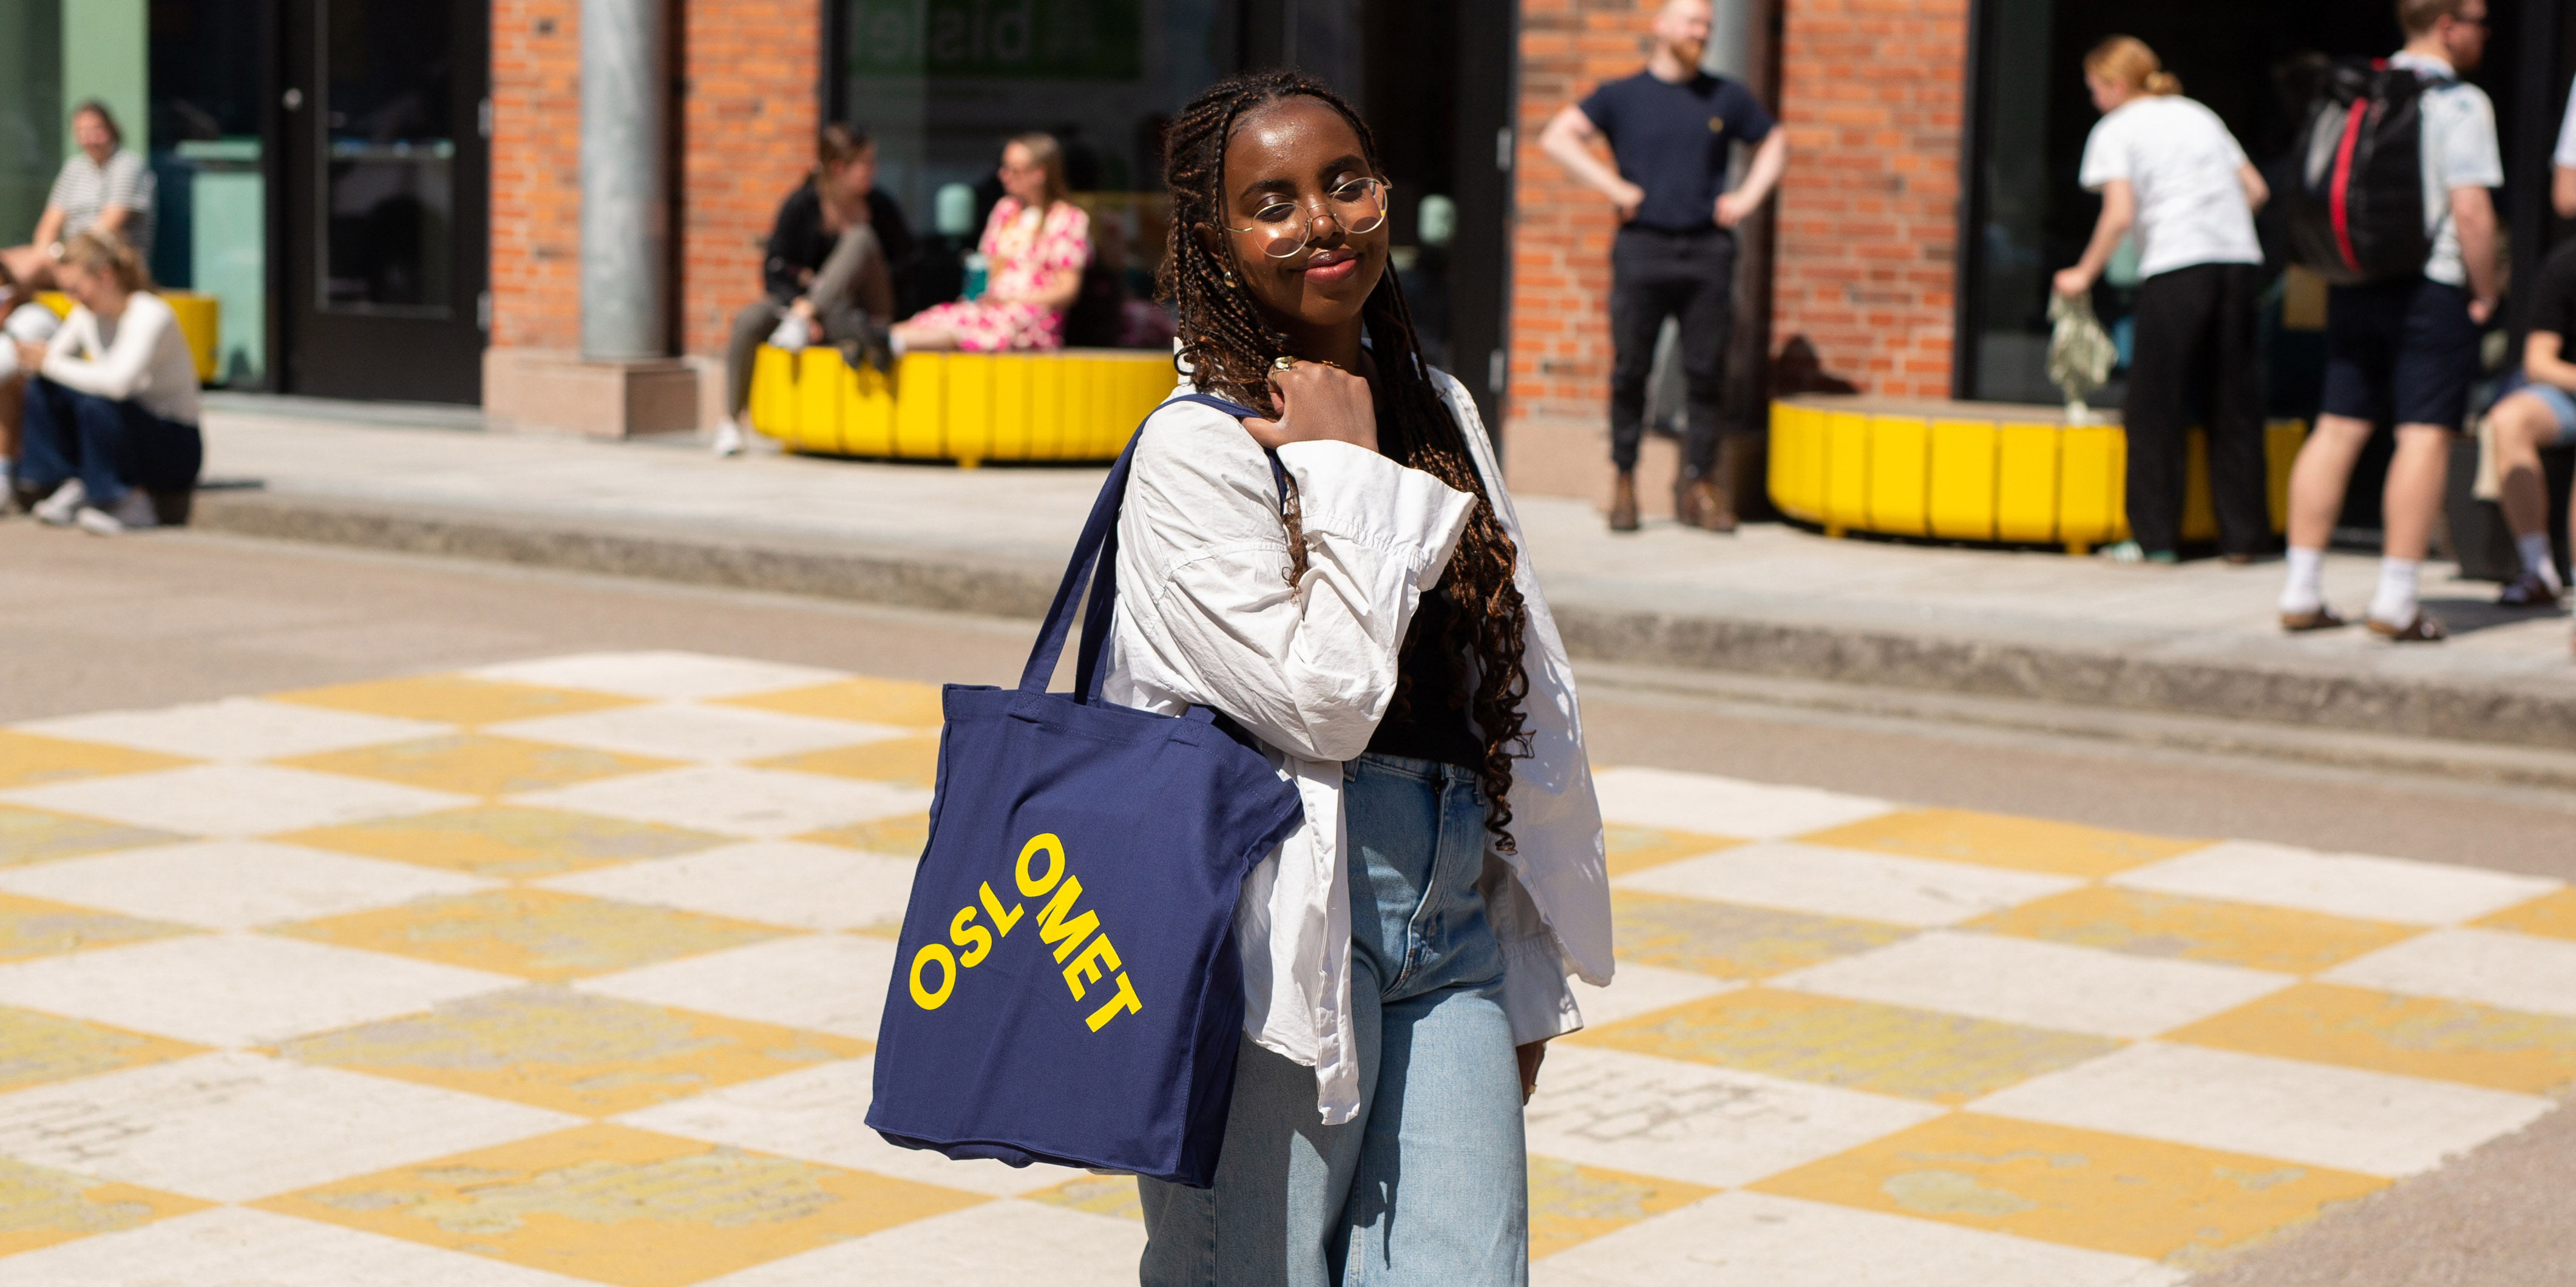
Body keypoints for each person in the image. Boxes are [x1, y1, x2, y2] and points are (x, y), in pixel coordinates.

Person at [1116, 70, 1611, 1285]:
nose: (1321, 221)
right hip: (1270, 931)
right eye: (1270, 201)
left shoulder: (1434, 405)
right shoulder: (1193, 447)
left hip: (1446, 920)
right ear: (1213, 240)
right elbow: (1324, 703)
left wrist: (1524, 953)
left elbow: (1511, 694)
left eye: (1345, 182)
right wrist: (1339, 471)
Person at [2277, 0, 2501, 641]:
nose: (2485, 34)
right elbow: (2471, 212)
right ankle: (2395, 601)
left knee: (2337, 426)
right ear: (2448, 24)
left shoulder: (2358, 91)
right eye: (2480, 20)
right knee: (2422, 435)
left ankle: (2299, 588)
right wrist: (2484, 292)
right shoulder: (2459, 103)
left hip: (2354, 280)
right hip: (2431, 288)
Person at [1539, 0, 1786, 534]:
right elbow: (1557, 136)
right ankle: (1624, 481)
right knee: (1632, 369)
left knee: (1705, 374)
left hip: (1707, 252)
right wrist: (1613, 187)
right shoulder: (1621, 96)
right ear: (1661, 26)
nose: (1703, 31)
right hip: (1642, 249)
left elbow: (1774, 140)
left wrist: (1745, 200)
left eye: (1709, 26)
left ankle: (1701, 484)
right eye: (1693, 22)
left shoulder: (1725, 96)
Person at [2053, 37, 2271, 565]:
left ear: (2115, 84)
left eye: (2094, 89)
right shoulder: (2198, 114)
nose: (2093, 100)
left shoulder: (2116, 128)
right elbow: (2257, 190)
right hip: (2238, 259)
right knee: (2232, 404)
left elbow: (2120, 213)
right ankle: (2242, 539)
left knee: (2153, 404)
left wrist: (2083, 273)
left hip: (2176, 264)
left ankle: (2155, 539)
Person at [714, 124, 913, 457]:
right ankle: (731, 421)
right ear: (839, 167)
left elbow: (905, 268)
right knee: (750, 319)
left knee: (861, 238)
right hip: (807, 312)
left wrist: (814, 300)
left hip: (867, 308)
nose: (874, 171)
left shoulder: (880, 208)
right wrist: (802, 300)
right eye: (867, 163)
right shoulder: (802, 205)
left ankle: (807, 318)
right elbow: (776, 269)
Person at [16, 231, 202, 536]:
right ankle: (72, 482)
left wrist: (47, 362)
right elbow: (49, 366)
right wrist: (31, 357)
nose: (72, 299)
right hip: (128, 432)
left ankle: (130, 502)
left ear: (105, 276)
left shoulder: (150, 313)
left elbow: (119, 384)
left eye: (76, 289)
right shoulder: (86, 314)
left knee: (96, 401)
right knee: (44, 389)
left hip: (173, 447)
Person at [892, 133, 1092, 355]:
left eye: (1013, 169)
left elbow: (1068, 290)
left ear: (1039, 173)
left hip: (1032, 320)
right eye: (1003, 167)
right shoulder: (1005, 211)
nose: (1003, 175)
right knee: (939, 317)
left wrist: (1012, 299)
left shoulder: (1069, 219)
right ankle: (878, 337)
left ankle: (889, 341)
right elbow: (990, 270)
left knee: (962, 329)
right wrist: (980, 293)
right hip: (992, 308)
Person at [2476, 235, 2576, 644]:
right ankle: (2538, 570)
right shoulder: (2566, 264)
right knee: (2507, 418)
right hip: (2569, 393)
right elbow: (2539, 361)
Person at [0, 101, 155, 294]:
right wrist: (45, 252)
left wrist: (54, 255)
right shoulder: (74, 168)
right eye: (82, 131)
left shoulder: (128, 166)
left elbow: (105, 230)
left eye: (96, 129)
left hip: (106, 261)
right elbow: (48, 225)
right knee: (5, 261)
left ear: (111, 129)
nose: (90, 138)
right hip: (67, 255)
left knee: (29, 267)